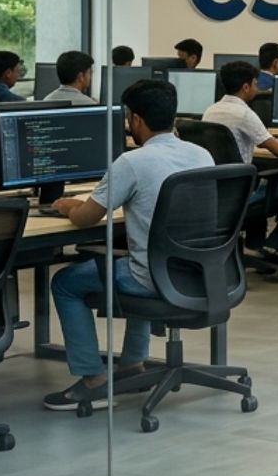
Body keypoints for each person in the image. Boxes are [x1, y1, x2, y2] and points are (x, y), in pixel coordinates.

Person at [43, 79, 216, 410]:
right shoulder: (202, 154)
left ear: (135, 120)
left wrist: (67, 206)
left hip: (152, 277)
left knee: (64, 282)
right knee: (138, 257)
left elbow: (85, 219)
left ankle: (93, 379)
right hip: (199, 272)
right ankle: (132, 365)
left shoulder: (132, 163)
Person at [206, 60, 278, 254]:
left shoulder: (210, 110)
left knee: (259, 180)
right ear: (245, 87)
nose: (257, 87)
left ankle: (256, 246)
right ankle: (272, 246)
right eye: (255, 83)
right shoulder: (244, 114)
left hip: (216, 192)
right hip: (239, 195)